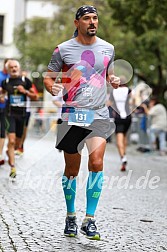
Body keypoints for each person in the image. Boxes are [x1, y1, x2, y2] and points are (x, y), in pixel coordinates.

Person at [44, 5, 120, 240]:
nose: (92, 22)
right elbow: (48, 76)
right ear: (77, 22)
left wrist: (113, 79)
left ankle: (90, 219)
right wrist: (52, 86)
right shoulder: (63, 49)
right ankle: (70, 216)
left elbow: (109, 74)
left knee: (97, 162)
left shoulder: (108, 48)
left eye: (95, 18)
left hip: (98, 114)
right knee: (72, 169)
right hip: (71, 114)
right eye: (87, 18)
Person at [1, 59, 37, 178]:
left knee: (17, 144)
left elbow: (35, 97)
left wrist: (25, 92)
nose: (14, 69)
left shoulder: (25, 81)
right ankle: (13, 167)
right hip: (9, 114)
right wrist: (1, 97)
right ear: (8, 69)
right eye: (11, 67)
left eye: (15, 66)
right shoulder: (5, 82)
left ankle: (9, 151)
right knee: (11, 141)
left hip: (21, 115)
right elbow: (2, 93)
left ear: (19, 67)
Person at [109, 76, 132, 171]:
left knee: (119, 139)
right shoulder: (129, 90)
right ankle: (124, 155)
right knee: (124, 137)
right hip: (128, 117)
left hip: (118, 117)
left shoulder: (113, 91)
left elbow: (109, 103)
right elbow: (133, 101)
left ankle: (123, 157)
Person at [0, 58, 10, 165]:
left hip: (7, 108)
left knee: (2, 131)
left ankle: (0, 154)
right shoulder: (0, 75)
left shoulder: (13, 77)